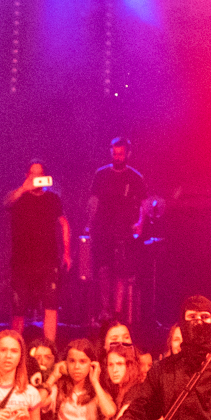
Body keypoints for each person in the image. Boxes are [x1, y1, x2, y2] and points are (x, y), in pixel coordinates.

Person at [6, 160, 69, 343]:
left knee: (51, 305)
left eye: (39, 174)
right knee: (18, 308)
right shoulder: (18, 198)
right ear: (27, 176)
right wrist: (23, 189)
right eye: (32, 174)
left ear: (45, 177)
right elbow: (6, 202)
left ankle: (49, 346)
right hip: (22, 261)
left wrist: (67, 252)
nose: (36, 177)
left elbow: (64, 223)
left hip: (48, 260)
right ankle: (15, 345)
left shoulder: (53, 199)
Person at [87, 137, 147, 321]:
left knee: (121, 272)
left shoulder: (135, 177)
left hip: (124, 230)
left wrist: (140, 224)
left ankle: (118, 312)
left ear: (128, 154)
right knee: (103, 270)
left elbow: (144, 203)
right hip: (103, 229)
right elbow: (93, 201)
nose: (117, 157)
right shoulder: (101, 174)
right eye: (114, 153)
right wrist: (90, 223)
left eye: (120, 154)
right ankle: (105, 309)